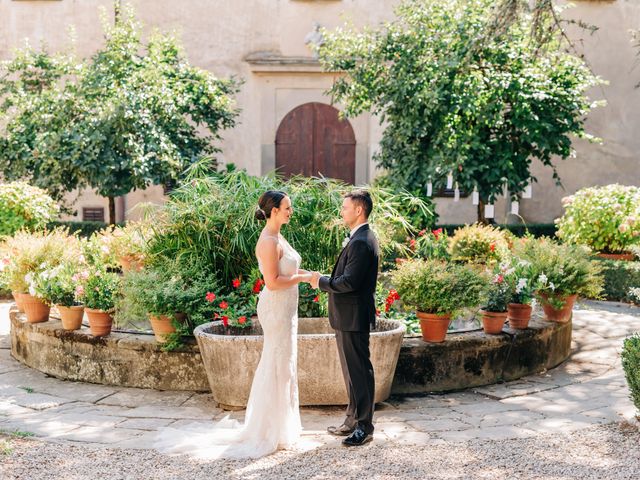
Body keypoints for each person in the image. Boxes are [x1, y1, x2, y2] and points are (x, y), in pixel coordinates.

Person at [155, 190, 312, 459]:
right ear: (273, 211)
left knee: (285, 364)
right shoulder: (267, 241)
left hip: (286, 309)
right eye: (287, 207)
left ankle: (283, 427)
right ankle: (268, 431)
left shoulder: (279, 235)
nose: (291, 211)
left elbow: (287, 271)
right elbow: (273, 282)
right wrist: (304, 279)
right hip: (276, 308)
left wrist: (310, 276)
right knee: (277, 364)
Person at [311, 189, 380, 447]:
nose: (342, 211)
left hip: (354, 317)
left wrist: (320, 281)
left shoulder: (362, 241)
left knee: (360, 372)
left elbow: (349, 282)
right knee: (351, 373)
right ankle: (352, 420)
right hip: (346, 317)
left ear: (359, 210)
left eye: (345, 207)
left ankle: (365, 427)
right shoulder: (358, 238)